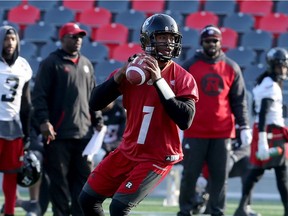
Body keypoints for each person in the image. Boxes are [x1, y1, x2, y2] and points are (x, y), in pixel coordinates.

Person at [78, 13, 199, 216]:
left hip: (158, 156)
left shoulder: (182, 77)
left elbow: (185, 119)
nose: (168, 43)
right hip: (128, 150)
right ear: (148, 39)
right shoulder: (133, 71)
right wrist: (118, 76)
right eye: (162, 37)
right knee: (88, 200)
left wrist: (159, 81)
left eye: (172, 38)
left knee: (119, 207)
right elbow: (95, 103)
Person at [178, 25, 252, 216]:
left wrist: (244, 126)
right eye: (207, 41)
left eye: (215, 40)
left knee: (220, 177)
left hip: (222, 132)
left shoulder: (231, 67)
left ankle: (217, 212)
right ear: (201, 42)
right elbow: (178, 96)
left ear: (220, 42)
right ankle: (185, 211)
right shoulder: (189, 65)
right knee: (189, 175)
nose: (211, 44)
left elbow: (239, 101)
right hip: (195, 132)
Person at [32, 22, 103, 216]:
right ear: (62, 38)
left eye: (80, 37)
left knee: (83, 182)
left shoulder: (86, 64)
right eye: (73, 36)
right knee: (59, 183)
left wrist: (97, 119)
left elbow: (93, 96)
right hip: (58, 135)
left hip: (84, 134)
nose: (78, 40)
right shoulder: (51, 63)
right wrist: (44, 121)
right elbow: (39, 96)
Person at [234, 47, 288, 216]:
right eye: (281, 66)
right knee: (278, 174)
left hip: (268, 131)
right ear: (274, 66)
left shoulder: (267, 82)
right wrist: (264, 140)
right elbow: (264, 112)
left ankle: (242, 207)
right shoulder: (270, 85)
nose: (284, 69)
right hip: (270, 133)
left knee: (259, 172)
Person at [0, 25, 33, 216]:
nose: (9, 43)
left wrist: (27, 134)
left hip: (14, 128)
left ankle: (10, 212)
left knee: (12, 175)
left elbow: (27, 104)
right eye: (6, 39)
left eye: (12, 39)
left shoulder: (23, 66)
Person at [192, 126, 259, 216]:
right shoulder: (217, 125)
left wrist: (232, 158)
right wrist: (201, 174)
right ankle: (205, 200)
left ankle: (244, 206)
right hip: (213, 163)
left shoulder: (241, 125)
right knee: (212, 169)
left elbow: (246, 147)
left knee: (248, 167)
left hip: (233, 163)